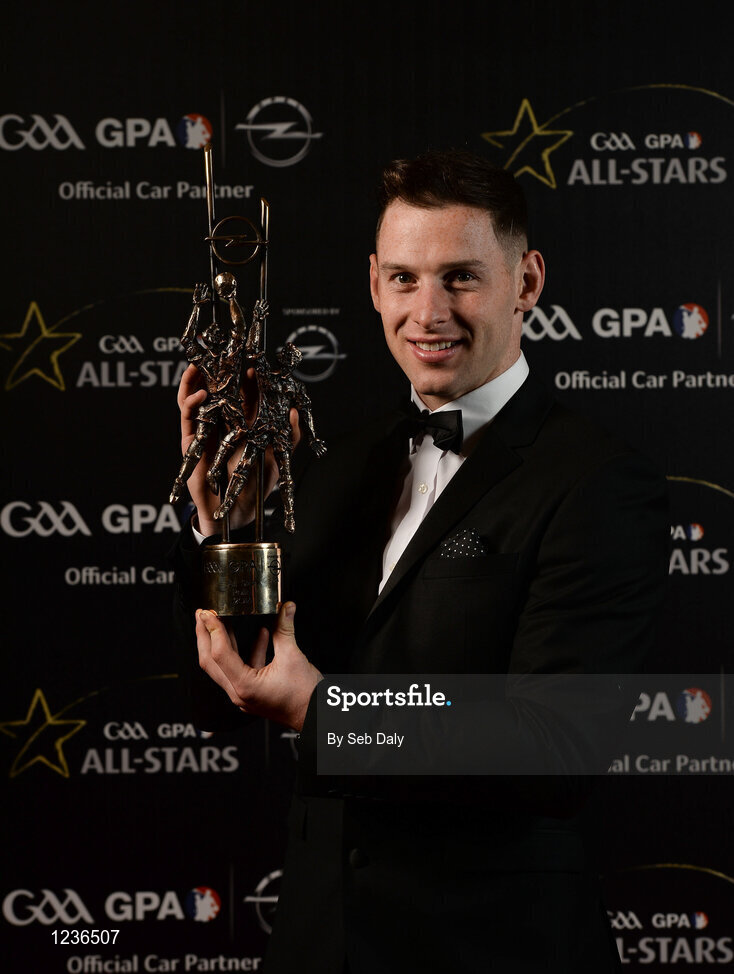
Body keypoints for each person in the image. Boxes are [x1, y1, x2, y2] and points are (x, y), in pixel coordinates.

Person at [171, 149, 669, 973]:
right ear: (374, 285)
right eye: (404, 279)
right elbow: (225, 695)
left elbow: (554, 749)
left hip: (493, 951)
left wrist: (328, 712)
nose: (428, 313)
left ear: (527, 282)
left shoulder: (599, 483)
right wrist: (234, 527)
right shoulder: (333, 464)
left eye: (461, 278)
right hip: (321, 946)